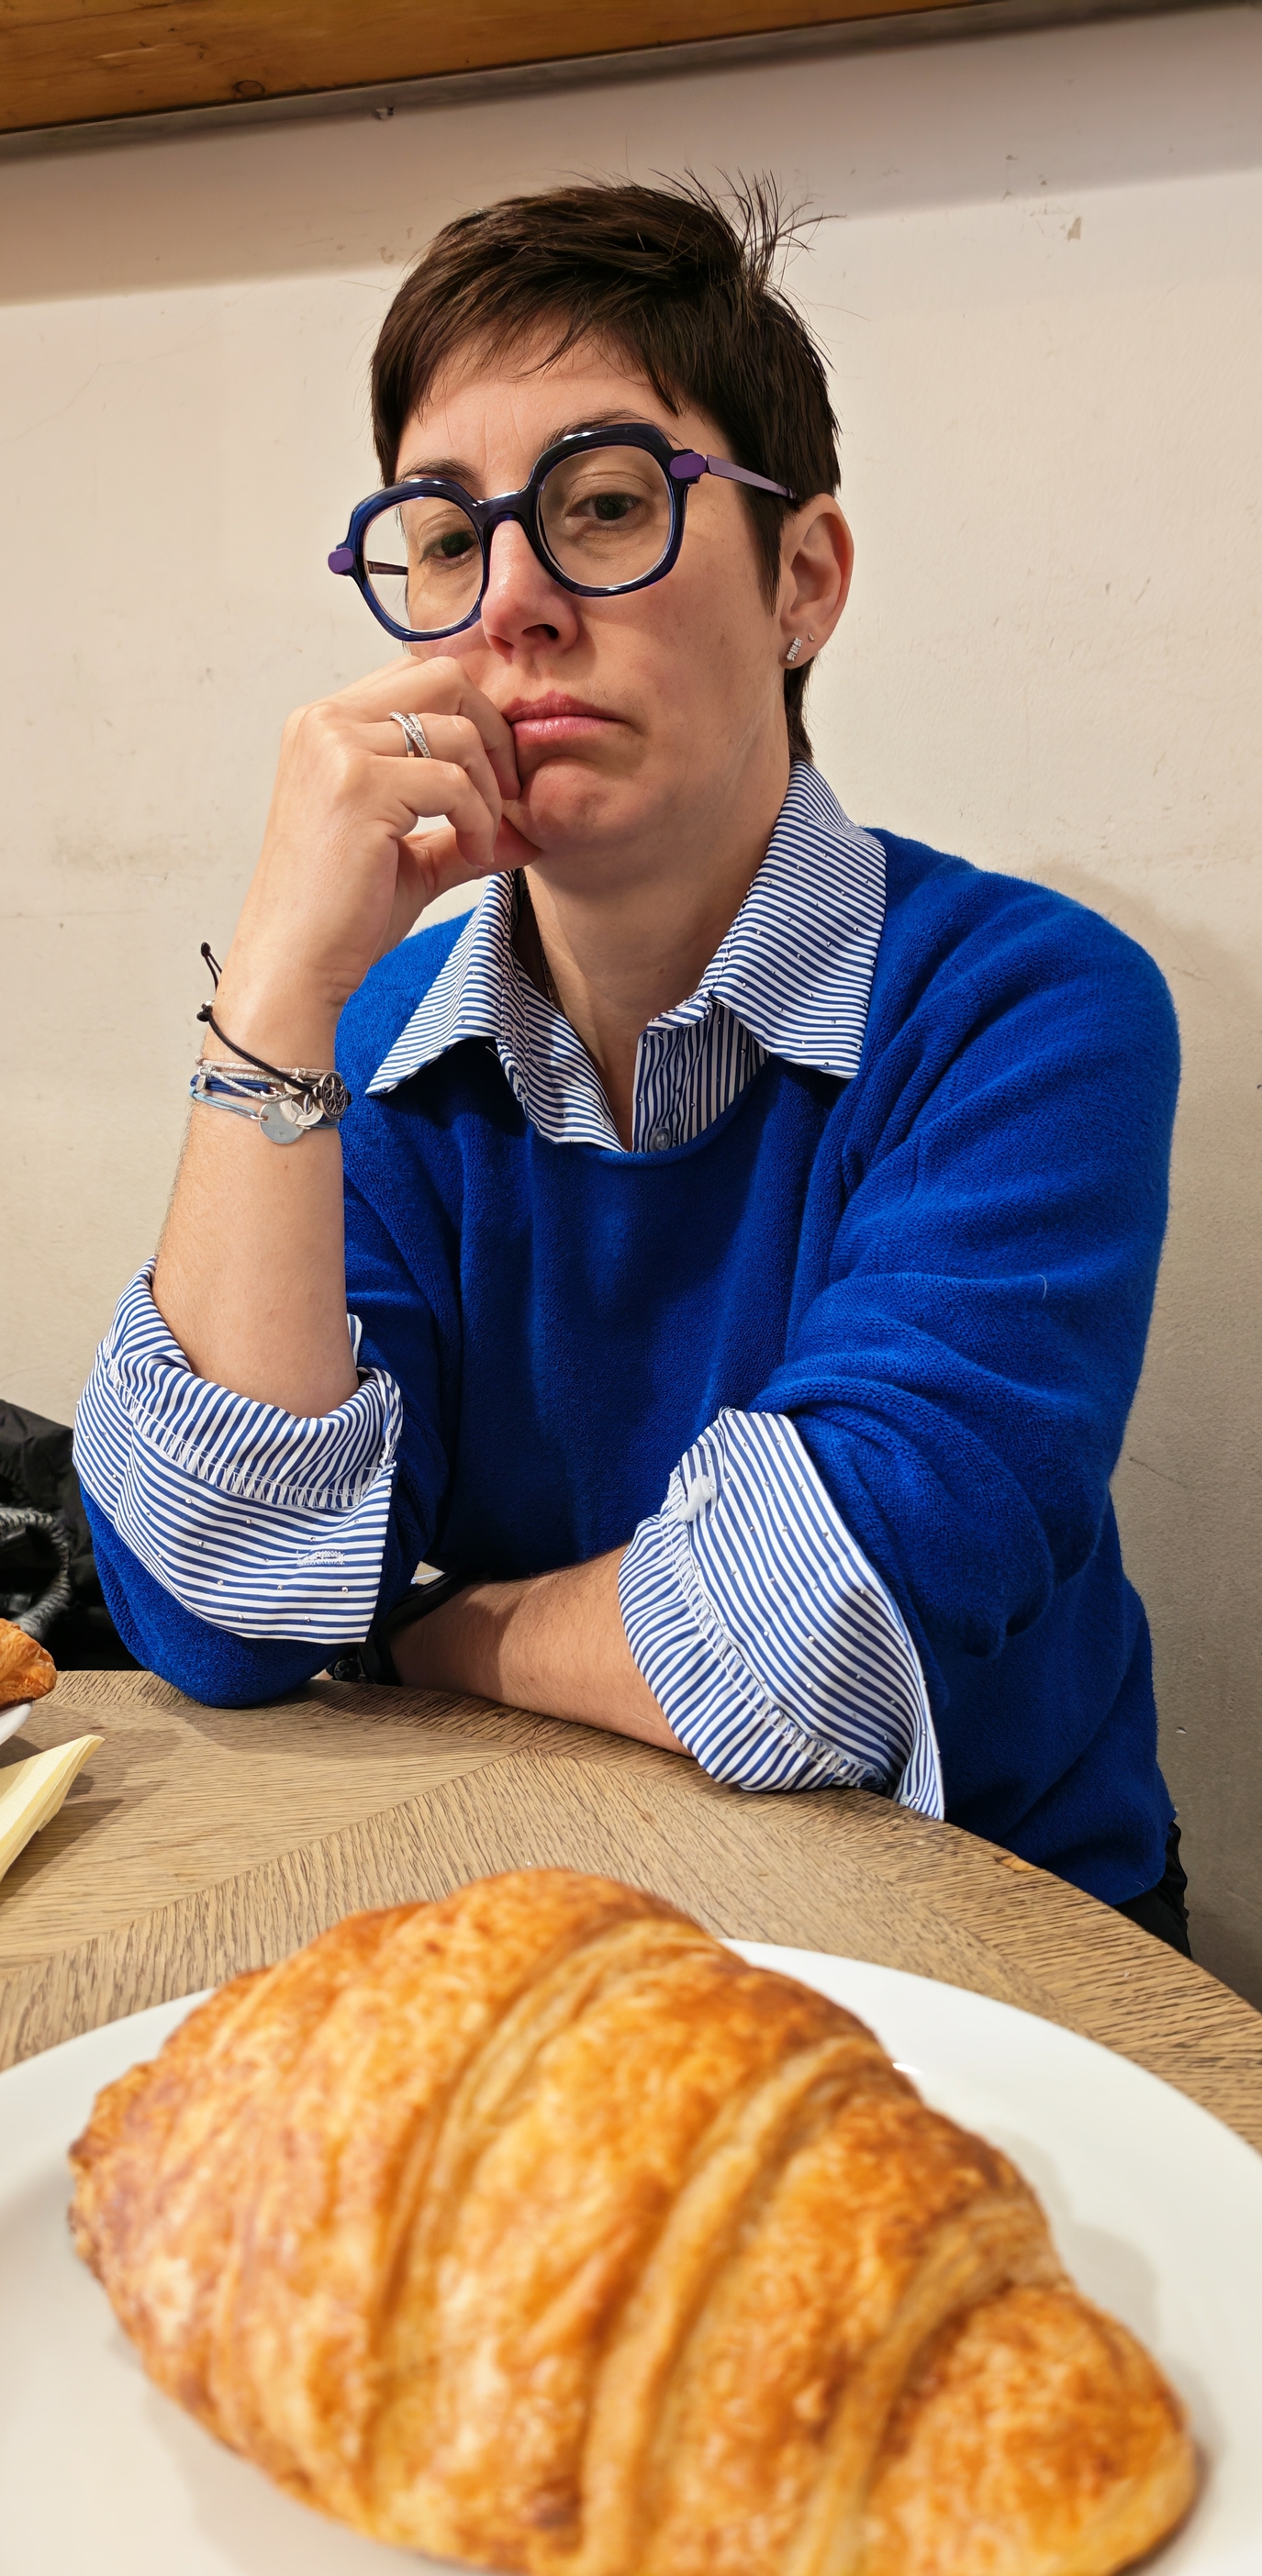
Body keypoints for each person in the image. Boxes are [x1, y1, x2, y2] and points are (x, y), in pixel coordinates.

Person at [74, 181, 1189, 1953]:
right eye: (448, 538)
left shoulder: (1026, 1010)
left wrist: (429, 1632)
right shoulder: (376, 1040)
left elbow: (806, 1639)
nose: (511, 604)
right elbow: (222, 1603)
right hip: (519, 1922)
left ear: (803, 580)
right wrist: (278, 987)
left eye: (602, 504)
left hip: (985, 1943)